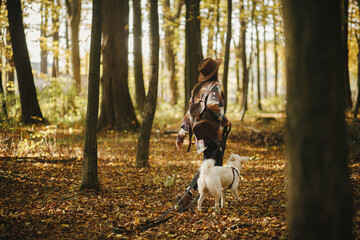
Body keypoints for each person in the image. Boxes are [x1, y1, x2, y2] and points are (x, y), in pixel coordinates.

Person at [175, 57, 231, 209]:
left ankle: (208, 199)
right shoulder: (215, 86)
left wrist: (182, 133)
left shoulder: (196, 90)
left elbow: (189, 113)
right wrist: (224, 120)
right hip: (213, 134)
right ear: (215, 72)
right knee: (210, 169)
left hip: (200, 135)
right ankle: (188, 195)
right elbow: (213, 106)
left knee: (210, 167)